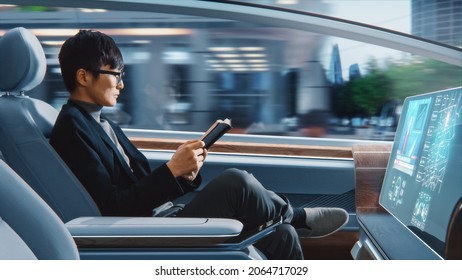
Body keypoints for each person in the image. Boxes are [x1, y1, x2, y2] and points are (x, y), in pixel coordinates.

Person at [50, 30, 348, 260]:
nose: (122, 84)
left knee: (282, 236)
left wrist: (183, 175)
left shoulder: (103, 123)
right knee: (237, 182)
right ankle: (296, 216)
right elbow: (113, 206)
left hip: (163, 215)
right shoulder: (72, 129)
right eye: (115, 74)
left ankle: (290, 221)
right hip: (144, 228)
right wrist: (170, 171)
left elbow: (138, 184)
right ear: (83, 77)